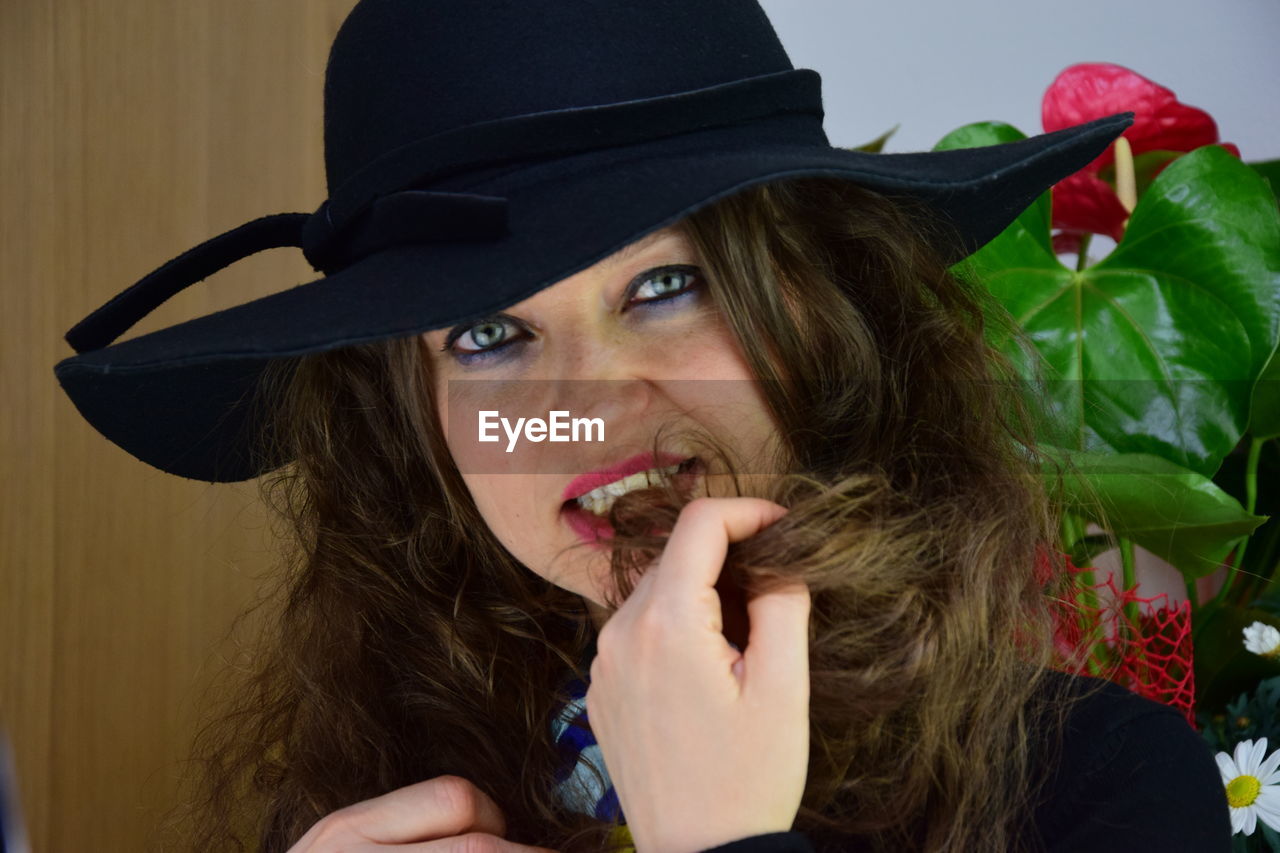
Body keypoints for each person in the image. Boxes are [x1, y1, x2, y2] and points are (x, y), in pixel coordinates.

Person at [52, 1, 1231, 851]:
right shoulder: (369, 795)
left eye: (664, 289)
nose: (582, 407)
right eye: (482, 335)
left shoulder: (1094, 790)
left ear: (817, 318)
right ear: (409, 426)